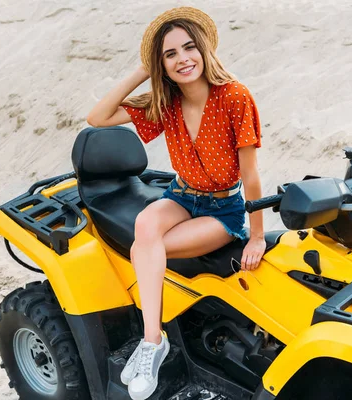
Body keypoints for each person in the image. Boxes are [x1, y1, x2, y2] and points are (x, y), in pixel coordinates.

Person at [86, 7, 266, 400]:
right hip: (182, 196)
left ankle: (152, 340)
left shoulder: (234, 96)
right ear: (161, 65)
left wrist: (257, 236)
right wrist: (141, 71)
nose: (183, 59)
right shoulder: (165, 101)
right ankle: (154, 341)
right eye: (169, 54)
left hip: (224, 209)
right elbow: (97, 118)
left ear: (203, 50)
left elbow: (251, 176)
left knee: (147, 251)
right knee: (145, 230)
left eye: (188, 48)